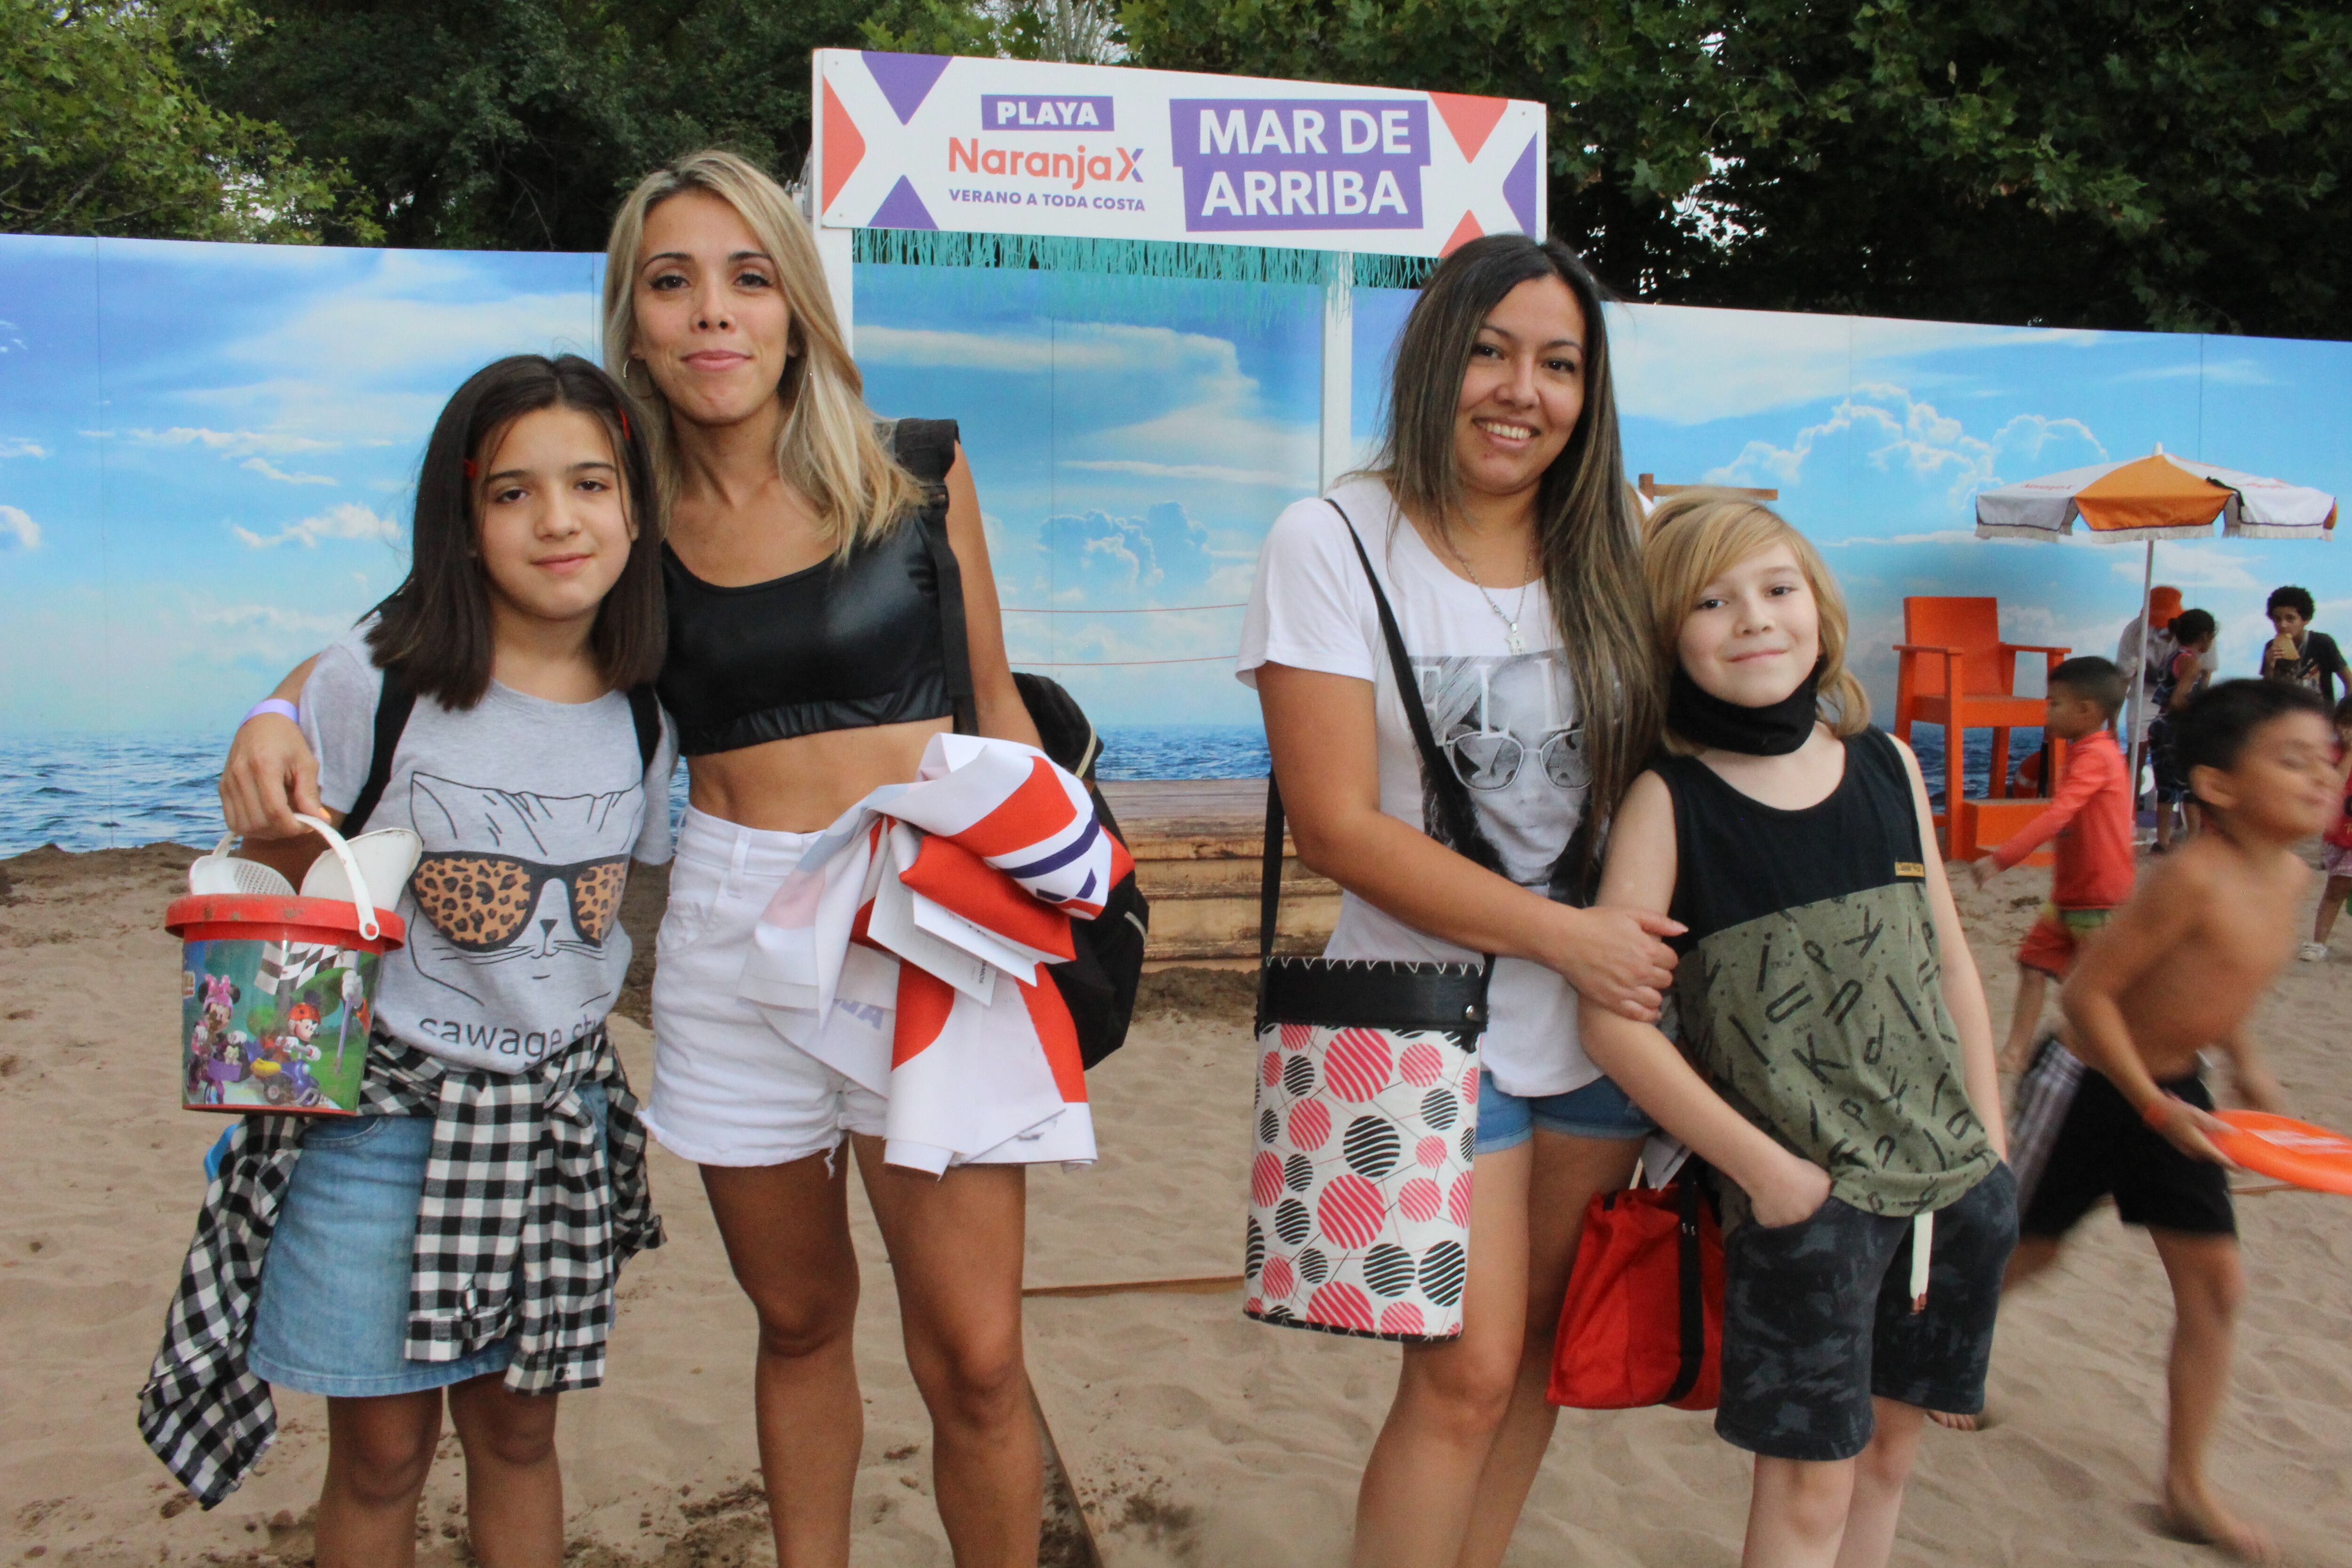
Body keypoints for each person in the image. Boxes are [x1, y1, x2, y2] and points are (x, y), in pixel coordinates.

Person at [217, 151, 1054, 1567]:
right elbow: (416, 631)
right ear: (633, 320)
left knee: (972, 1352)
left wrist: (1053, 909)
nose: (713, 314)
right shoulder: (616, 513)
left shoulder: (915, 470)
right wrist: (271, 708)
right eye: (672, 282)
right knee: (798, 1322)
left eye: (747, 276)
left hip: (923, 925)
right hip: (730, 928)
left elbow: (1000, 705)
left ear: (794, 303)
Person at [142, 355, 673, 1555]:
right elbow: (286, 874)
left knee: (520, 1439)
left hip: (551, 1126)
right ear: (463, 514)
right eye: (511, 493)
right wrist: (265, 735)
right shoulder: (379, 683)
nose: (556, 521)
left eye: (590, 482)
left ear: (636, 505)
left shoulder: (646, 705)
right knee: (382, 1455)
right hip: (378, 1127)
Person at [1241, 233, 1679, 1568]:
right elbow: (1335, 825)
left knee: (1542, 1353)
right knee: (1466, 1369)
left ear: (1589, 393)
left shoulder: (1627, 542)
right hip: (1432, 1016)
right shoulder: (1331, 537)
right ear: (1435, 361)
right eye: (1490, 350)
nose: (1519, 389)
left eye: (1558, 363)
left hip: (1612, 1023)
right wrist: (1571, 936)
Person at [1580, 492, 2012, 1568]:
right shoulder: (1668, 801)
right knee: (1809, 1493)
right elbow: (1612, 1025)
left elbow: (1950, 963)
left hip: (1951, 1184)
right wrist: (1767, 1175)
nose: (1753, 620)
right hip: (1808, 1201)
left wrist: (1992, 1148)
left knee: (1890, 1459)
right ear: (1666, 637)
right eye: (1712, 602)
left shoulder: (1888, 766)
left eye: (1776, 590)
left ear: (1817, 607)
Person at [2005, 678, 2323, 1562]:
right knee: (2026, 1250)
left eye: (2327, 758)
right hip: (2091, 1083)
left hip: (2179, 1094)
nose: (2320, 777)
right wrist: (2148, 1101)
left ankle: (2186, 1487)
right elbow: (2089, 995)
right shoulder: (2189, 877)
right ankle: (1929, 1356)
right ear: (2219, 786)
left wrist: (2247, 1064)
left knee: (2218, 1287)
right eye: (2291, 761)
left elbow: (2222, 981)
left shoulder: (2292, 875)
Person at [1970, 657, 2135, 1067]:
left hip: (2099, 897)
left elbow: (2058, 814)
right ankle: (2014, 1052)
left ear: (2086, 711)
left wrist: (2001, 859)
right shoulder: (2089, 751)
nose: (2047, 711)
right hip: (2069, 896)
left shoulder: (2096, 756)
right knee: (2032, 964)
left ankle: (2126, 1058)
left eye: (2055, 702)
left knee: (2100, 991)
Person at [2149, 610, 2217, 852]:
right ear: (2206, 636)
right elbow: (2179, 700)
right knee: (2191, 788)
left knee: (2166, 789)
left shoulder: (2173, 657)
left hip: (2159, 725)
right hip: (2177, 728)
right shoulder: (2192, 662)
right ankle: (2195, 840)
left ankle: (2163, 841)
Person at [2298, 694, 2352, 960]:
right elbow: (2335, 786)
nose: (2349, 731)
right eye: (2345, 724)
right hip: (2339, 837)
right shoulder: (2334, 755)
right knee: (2334, 891)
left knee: (2341, 887)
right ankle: (2318, 942)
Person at [2258, 584, 2349, 703]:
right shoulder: (2272, 647)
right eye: (2277, 619)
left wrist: (2342, 714)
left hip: (2320, 717)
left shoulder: (2322, 643)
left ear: (2306, 620)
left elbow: (2349, 681)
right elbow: (2266, 693)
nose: (2283, 625)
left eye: (2290, 619)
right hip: (2286, 717)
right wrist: (2270, 666)